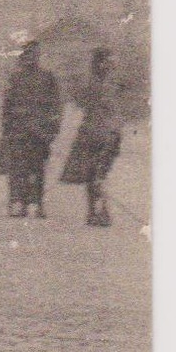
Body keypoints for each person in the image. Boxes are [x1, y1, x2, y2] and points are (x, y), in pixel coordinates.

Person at [0, 39, 62, 219]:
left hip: (39, 132)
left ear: (38, 56)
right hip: (19, 131)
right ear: (24, 56)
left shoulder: (48, 78)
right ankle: (21, 204)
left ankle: (39, 204)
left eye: (35, 54)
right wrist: (7, 128)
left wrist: (52, 129)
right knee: (19, 169)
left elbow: (56, 105)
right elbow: (7, 106)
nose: (32, 57)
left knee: (39, 169)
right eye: (29, 54)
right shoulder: (15, 78)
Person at [61, 48, 122, 227]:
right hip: (94, 134)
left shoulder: (108, 84)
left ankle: (96, 211)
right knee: (95, 174)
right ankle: (98, 211)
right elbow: (82, 102)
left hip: (106, 134)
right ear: (98, 63)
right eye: (105, 61)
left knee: (98, 174)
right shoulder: (95, 85)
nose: (108, 65)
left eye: (109, 61)